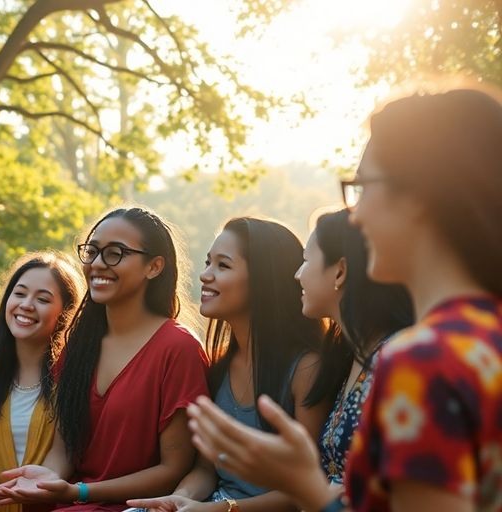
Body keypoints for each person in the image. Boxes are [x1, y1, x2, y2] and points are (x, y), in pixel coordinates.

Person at [184, 86, 502, 512]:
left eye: (361, 187)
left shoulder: (424, 359)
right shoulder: (482, 337)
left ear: (419, 199)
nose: (357, 214)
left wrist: (304, 486)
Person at [0, 206, 210, 511]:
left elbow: (174, 470)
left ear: (154, 266)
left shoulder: (178, 348)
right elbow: (66, 448)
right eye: (92, 251)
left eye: (115, 253)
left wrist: (79, 492)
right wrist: (46, 480)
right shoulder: (79, 344)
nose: (97, 264)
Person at [130, 217, 332, 512]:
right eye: (208, 262)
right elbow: (206, 470)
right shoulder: (218, 366)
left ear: (265, 280)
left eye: (223, 266)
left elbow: (305, 490)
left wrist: (218, 509)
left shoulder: (305, 369)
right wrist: (180, 498)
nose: (205, 275)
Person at [0, 251, 84, 512]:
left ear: (66, 313)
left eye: (43, 299)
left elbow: (66, 450)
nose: (26, 305)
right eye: (20, 293)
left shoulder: (73, 378)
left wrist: (45, 481)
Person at [297, 209, 412, 484]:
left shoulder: (396, 360)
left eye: (305, 260)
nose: (297, 274)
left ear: (340, 271)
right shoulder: (348, 355)